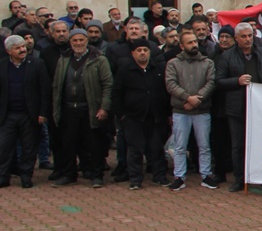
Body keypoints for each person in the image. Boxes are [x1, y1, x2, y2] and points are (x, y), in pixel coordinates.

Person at [215, 23, 262, 192]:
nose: (248, 39)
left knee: (261, 143)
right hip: (236, 108)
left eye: (250, 35)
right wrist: (236, 81)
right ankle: (240, 179)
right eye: (244, 36)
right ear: (236, 38)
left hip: (260, 107)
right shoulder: (227, 57)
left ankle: (261, 176)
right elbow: (218, 81)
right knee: (238, 145)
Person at [50, 30, 113, 188]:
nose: (78, 43)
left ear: (86, 41)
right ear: (70, 42)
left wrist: (104, 107)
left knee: (94, 145)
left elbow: (107, 85)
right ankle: (69, 174)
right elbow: (57, 85)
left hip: (90, 108)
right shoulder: (63, 59)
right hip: (69, 108)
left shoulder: (99, 59)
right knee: (68, 144)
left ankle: (96, 175)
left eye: (81, 40)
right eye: (74, 40)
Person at [110, 37, 170, 190]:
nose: (142, 53)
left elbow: (165, 92)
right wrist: (122, 115)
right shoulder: (125, 70)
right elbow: (116, 94)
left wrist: (167, 114)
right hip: (133, 118)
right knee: (135, 150)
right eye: (139, 50)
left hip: (156, 116)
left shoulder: (158, 69)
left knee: (157, 148)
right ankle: (135, 179)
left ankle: (159, 177)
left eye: (145, 50)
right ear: (133, 53)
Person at [164, 28, 217, 191]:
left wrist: (196, 100)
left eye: (195, 41)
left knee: (204, 145)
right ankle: (179, 176)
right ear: (181, 46)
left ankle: (206, 175)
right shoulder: (173, 63)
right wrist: (188, 98)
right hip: (181, 111)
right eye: (190, 42)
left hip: (201, 111)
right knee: (180, 146)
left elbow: (210, 82)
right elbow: (171, 84)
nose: (194, 45)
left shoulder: (207, 63)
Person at [0, 35, 50, 189]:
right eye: (18, 48)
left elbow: (45, 90)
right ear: (9, 51)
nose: (22, 50)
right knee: (4, 147)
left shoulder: (37, 64)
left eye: (23, 46)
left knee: (29, 147)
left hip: (30, 114)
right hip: (7, 115)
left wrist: (43, 112)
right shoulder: (2, 65)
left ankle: (26, 176)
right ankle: (3, 176)